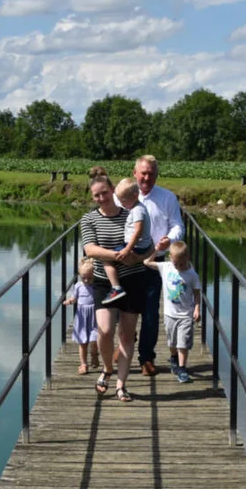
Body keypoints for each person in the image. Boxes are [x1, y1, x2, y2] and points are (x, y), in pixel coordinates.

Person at [79, 171, 155, 402]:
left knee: (126, 334)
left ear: (113, 190)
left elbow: (149, 244)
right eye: (96, 195)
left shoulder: (131, 214)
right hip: (104, 282)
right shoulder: (88, 219)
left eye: (104, 193)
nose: (101, 198)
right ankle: (106, 368)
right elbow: (90, 249)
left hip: (132, 279)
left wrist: (136, 258)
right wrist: (117, 255)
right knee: (104, 330)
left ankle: (121, 384)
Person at [129, 155, 185, 376]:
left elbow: (178, 226)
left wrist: (169, 240)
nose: (146, 177)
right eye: (143, 173)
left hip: (155, 262)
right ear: (135, 173)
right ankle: (125, 346)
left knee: (151, 313)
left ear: (156, 175)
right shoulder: (122, 196)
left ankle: (146, 358)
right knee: (125, 311)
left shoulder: (167, 198)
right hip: (128, 261)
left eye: (151, 173)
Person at [144, 241, 200, 382]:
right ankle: (173, 357)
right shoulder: (166, 267)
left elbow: (197, 293)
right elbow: (146, 262)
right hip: (170, 314)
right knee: (172, 343)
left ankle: (182, 368)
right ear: (170, 258)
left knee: (183, 343)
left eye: (182, 264)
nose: (179, 267)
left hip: (186, 314)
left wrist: (197, 308)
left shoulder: (192, 274)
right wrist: (156, 250)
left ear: (188, 258)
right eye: (176, 264)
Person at [99, 177, 154, 306]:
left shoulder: (138, 210)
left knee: (104, 257)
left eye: (124, 201)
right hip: (141, 246)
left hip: (136, 247)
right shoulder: (136, 208)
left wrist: (127, 249)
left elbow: (138, 231)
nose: (122, 204)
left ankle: (116, 287)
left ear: (135, 196)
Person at [63, 257, 99, 374]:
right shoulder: (78, 286)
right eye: (84, 278)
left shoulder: (96, 286)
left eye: (89, 278)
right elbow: (75, 297)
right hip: (82, 317)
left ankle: (94, 354)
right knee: (82, 342)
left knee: (95, 339)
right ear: (79, 276)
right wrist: (70, 301)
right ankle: (83, 364)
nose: (87, 280)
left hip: (94, 316)